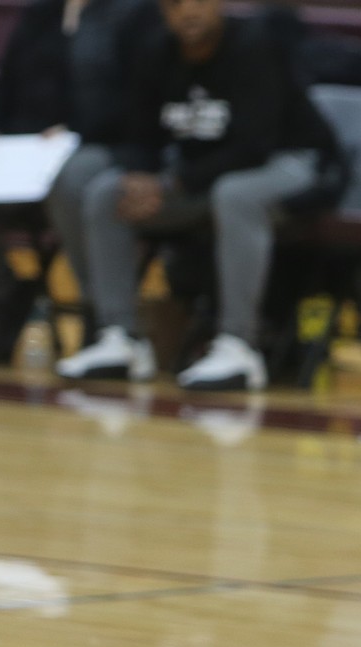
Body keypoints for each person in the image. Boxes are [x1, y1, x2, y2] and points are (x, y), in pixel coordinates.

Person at [55, 0, 342, 391]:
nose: (189, 11)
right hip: (202, 174)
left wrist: (172, 185)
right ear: (162, 11)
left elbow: (254, 144)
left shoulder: (254, 45)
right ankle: (120, 337)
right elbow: (141, 137)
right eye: (175, 4)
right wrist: (142, 177)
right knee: (109, 195)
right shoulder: (156, 51)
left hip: (291, 162)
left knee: (235, 195)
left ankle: (239, 345)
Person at [0, 0, 160, 364]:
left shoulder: (134, 13)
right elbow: (6, 82)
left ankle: (96, 308)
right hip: (26, 147)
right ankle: (4, 292)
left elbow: (140, 97)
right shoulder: (41, 12)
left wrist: (77, 133)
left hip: (102, 144)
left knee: (70, 178)